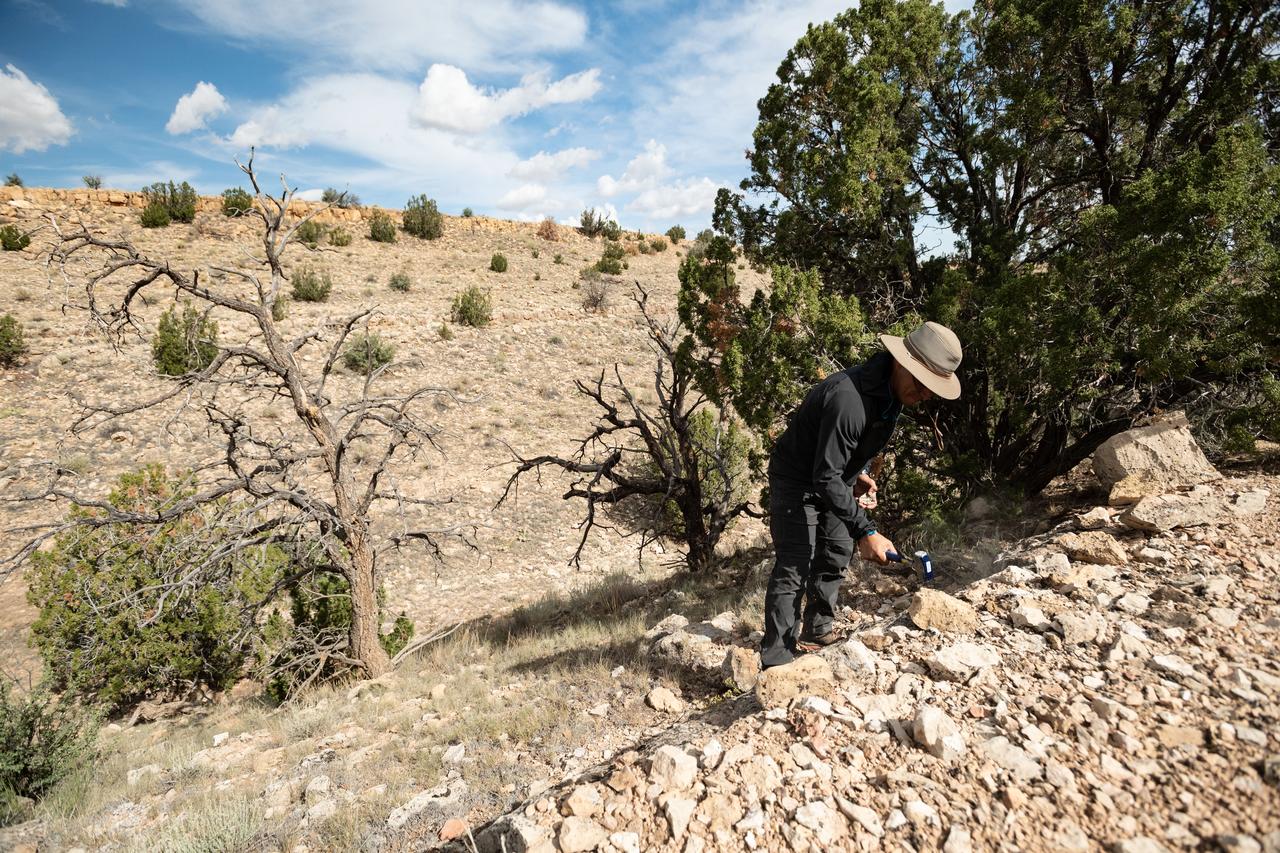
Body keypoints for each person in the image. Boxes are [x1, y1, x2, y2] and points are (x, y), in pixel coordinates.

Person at [760, 321, 963, 669]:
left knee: (837, 549)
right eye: (923, 383)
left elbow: (845, 453)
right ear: (902, 364)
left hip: (832, 476)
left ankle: (818, 630)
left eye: (932, 388)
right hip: (797, 480)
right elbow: (824, 475)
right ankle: (777, 660)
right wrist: (867, 531)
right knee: (797, 562)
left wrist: (859, 474)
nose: (926, 394)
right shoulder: (848, 398)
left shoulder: (892, 394)